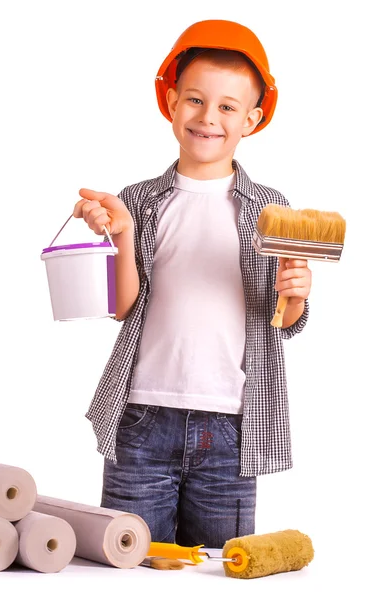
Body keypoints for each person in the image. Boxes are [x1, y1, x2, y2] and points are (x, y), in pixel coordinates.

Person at [73, 19, 312, 548]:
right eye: (196, 100)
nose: (208, 118)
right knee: (128, 565)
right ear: (172, 102)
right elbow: (122, 307)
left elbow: (284, 322)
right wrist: (123, 234)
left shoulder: (272, 210)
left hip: (232, 427)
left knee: (217, 571)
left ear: (252, 119)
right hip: (141, 418)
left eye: (228, 107)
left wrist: (295, 292)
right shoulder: (136, 202)